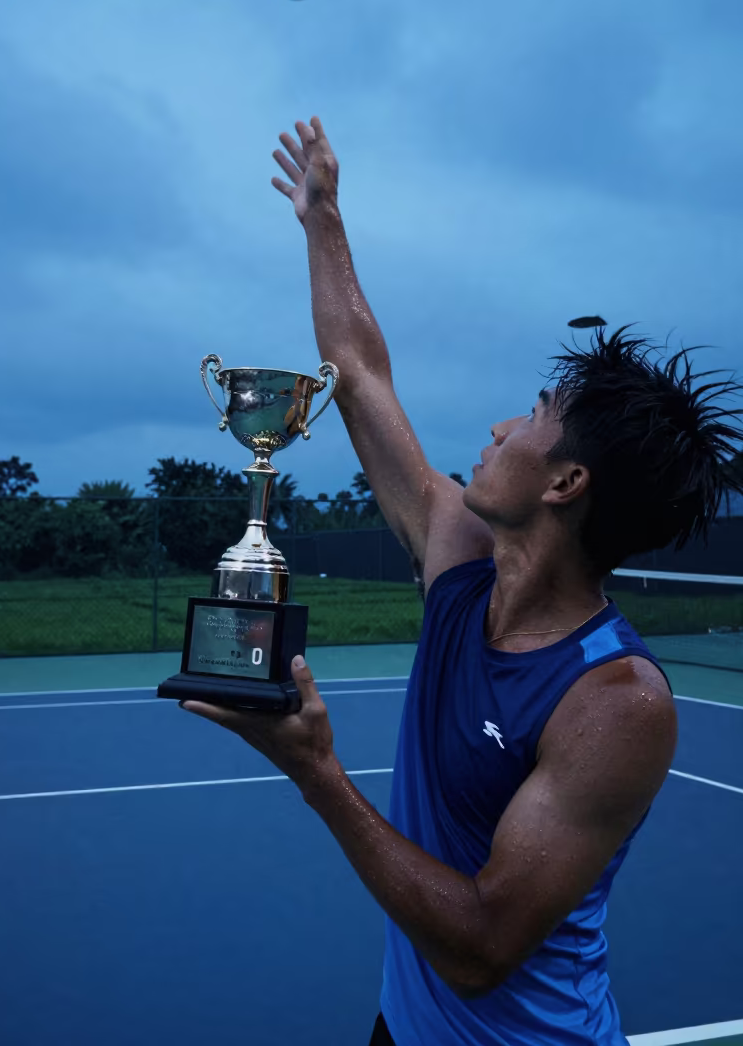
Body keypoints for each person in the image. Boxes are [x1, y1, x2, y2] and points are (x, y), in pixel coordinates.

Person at [179, 116, 743, 1045]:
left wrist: (317, 771)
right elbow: (356, 374)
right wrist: (324, 219)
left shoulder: (615, 702)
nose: (497, 429)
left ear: (565, 484)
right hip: (399, 1027)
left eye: (531, 414)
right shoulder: (458, 556)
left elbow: (483, 947)